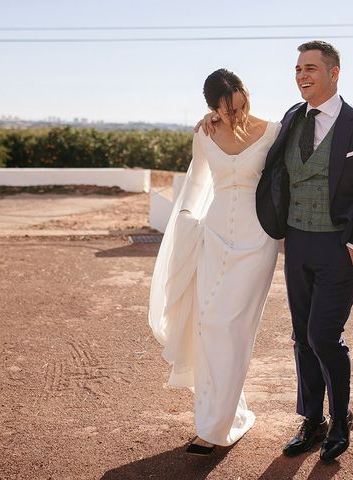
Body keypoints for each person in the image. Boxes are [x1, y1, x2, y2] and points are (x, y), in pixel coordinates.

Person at [198, 40, 353, 462]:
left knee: (324, 335)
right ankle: (312, 420)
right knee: (302, 336)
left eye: (311, 68)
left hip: (341, 248)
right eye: (298, 68)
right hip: (296, 244)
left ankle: (340, 420)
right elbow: (248, 139)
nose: (302, 75)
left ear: (334, 73)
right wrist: (214, 117)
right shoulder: (289, 119)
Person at [148, 69, 281, 455]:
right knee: (207, 324)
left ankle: (216, 426)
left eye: (241, 106)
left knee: (235, 327)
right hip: (215, 236)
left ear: (246, 95)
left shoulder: (273, 131)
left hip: (258, 241)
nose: (237, 116)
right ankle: (223, 417)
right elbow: (195, 185)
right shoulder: (204, 134)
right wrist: (186, 223)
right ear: (212, 109)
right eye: (228, 110)